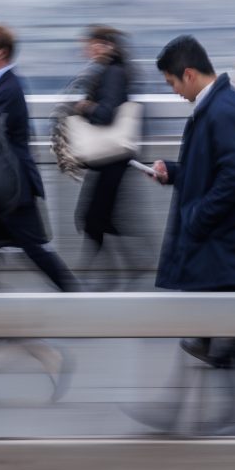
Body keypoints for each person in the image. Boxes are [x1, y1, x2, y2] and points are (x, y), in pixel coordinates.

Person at [142, 35, 235, 432]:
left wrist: (197, 217)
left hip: (226, 241)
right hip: (229, 240)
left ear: (189, 74)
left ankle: (188, 407)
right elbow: (217, 169)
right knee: (219, 327)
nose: (173, 93)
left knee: (213, 326)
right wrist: (173, 172)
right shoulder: (220, 105)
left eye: (172, 83)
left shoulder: (222, 111)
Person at [0, 23, 77, 400]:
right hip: (6, 190)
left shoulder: (8, 89)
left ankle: (76, 308)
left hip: (9, 192)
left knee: (29, 251)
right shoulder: (3, 87)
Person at [68, 25, 138, 289]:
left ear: (106, 45)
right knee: (98, 218)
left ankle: (85, 279)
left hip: (111, 157)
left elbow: (107, 113)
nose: (87, 50)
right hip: (110, 157)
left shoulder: (113, 73)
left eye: (92, 44)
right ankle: (123, 271)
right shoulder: (113, 71)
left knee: (92, 218)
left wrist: (85, 107)